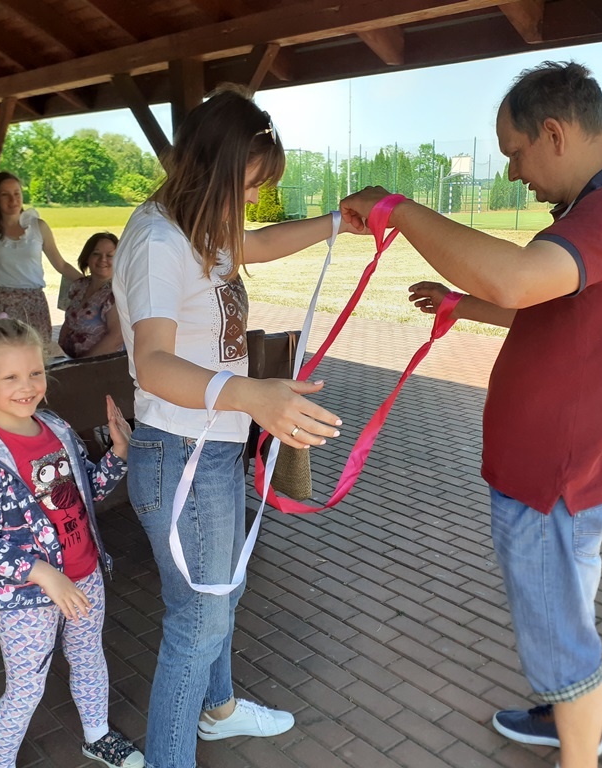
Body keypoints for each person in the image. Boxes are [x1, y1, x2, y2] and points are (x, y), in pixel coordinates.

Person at [340, 61, 602, 768]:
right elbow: (552, 309)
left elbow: (518, 280)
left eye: (516, 153)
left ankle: (576, 738)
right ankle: (562, 717)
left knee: (562, 644)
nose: (515, 173)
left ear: (554, 133)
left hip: (553, 483)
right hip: (568, 476)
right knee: (565, 620)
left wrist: (398, 210)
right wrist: (464, 305)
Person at [112, 83, 362, 768]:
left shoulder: (198, 227)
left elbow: (256, 245)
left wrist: (338, 223)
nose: (254, 198)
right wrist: (252, 395)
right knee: (198, 620)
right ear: (213, 167)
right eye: (249, 184)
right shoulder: (159, 240)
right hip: (180, 454)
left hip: (209, 451)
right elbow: (153, 363)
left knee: (223, 594)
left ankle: (217, 710)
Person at [0, 317, 143, 768]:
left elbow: (87, 491)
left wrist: (118, 453)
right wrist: (44, 574)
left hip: (84, 574)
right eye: (10, 377)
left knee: (88, 656)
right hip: (28, 597)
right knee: (26, 688)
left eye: (35, 372)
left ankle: (97, 736)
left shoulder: (55, 427)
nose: (27, 386)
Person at [0, 172, 82, 342]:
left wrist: (90, 283)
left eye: (16, 193)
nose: (12, 200)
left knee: (35, 352)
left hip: (33, 304)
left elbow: (61, 265)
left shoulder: (38, 227)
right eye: (5, 194)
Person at [58, 232, 124, 358]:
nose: (103, 259)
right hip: (69, 360)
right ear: (87, 258)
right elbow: (68, 322)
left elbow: (117, 337)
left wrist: (82, 363)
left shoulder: (116, 293)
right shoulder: (79, 286)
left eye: (109, 255)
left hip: (99, 364)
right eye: (96, 254)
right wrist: (60, 351)